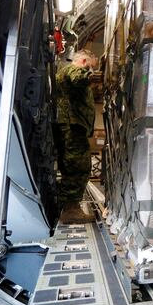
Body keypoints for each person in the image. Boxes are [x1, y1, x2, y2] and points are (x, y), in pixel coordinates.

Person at [55, 49, 98, 224]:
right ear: (83, 61)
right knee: (78, 167)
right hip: (73, 126)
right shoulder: (74, 69)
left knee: (71, 166)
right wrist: (90, 75)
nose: (92, 70)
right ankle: (71, 210)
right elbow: (78, 78)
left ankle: (69, 207)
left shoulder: (64, 71)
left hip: (72, 126)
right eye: (90, 66)